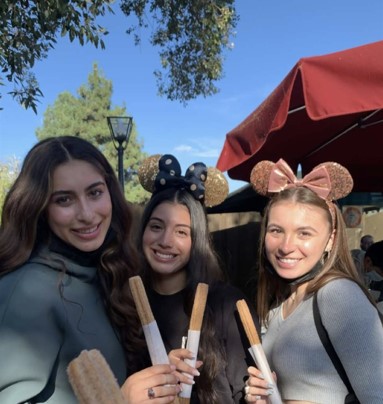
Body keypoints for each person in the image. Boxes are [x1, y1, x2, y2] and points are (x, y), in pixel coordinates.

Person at [0, 136, 182, 403]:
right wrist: (121, 399)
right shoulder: (24, 292)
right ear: (39, 207)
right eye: (64, 200)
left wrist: (157, 373)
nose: (86, 214)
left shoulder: (102, 270)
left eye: (95, 192)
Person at [243, 159, 383, 403]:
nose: (286, 246)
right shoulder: (280, 307)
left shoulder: (339, 295)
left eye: (304, 233)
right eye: (276, 230)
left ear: (331, 239)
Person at [136, 154, 259, 404]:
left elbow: (247, 392)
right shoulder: (126, 303)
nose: (165, 241)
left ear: (197, 241)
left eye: (182, 232)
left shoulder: (227, 304)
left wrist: (256, 395)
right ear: (143, 231)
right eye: (157, 227)